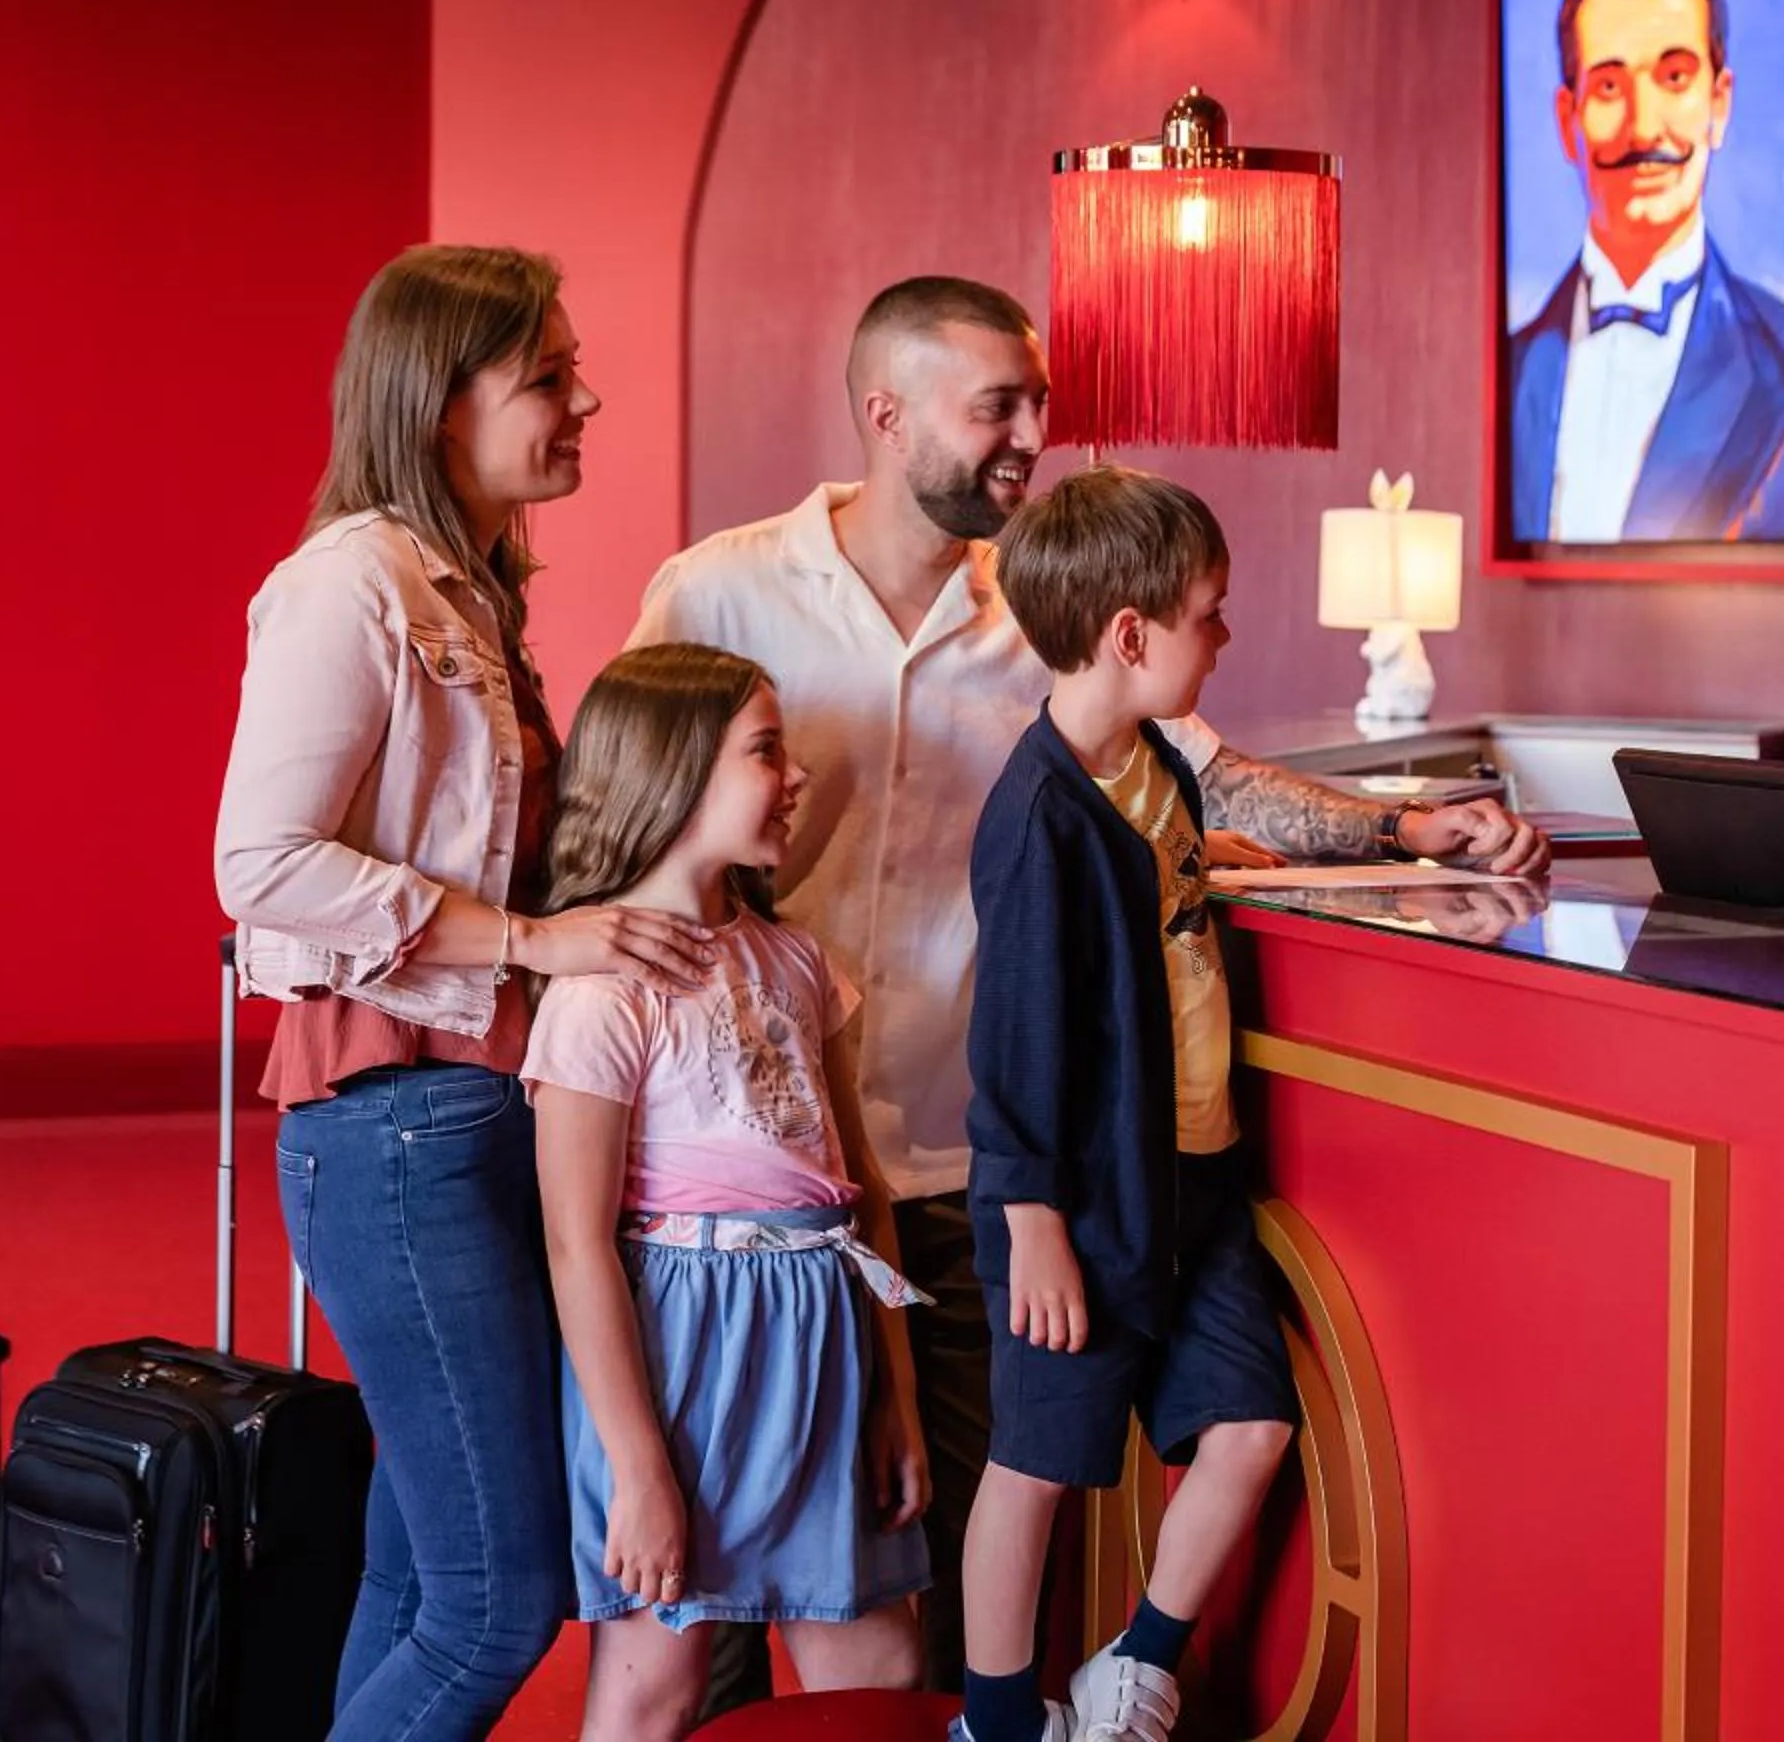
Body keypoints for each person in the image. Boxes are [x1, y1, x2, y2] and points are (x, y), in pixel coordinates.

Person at [625, 274, 1549, 1704]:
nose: (1033, 433)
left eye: (1039, 402)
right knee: (702, 1620)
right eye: (999, 403)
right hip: (759, 1173)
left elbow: (1210, 781)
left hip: (964, 1163)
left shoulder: (1054, 613)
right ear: (886, 411)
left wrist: (1408, 826)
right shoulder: (714, 589)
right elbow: (631, 833)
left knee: (903, 1586)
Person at [215, 244, 712, 1740]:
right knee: (501, 1601)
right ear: (441, 404)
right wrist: (523, 939)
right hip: (395, 1129)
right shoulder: (352, 583)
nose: (585, 400)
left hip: (465, 1115)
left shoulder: (474, 591)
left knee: (420, 1578)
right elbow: (259, 865)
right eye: (548, 376)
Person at [526, 644, 932, 1741]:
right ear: (674, 772)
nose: (795, 775)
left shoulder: (796, 961)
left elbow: (868, 1197)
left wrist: (893, 1397)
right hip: (687, 1356)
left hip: (825, 1338)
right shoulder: (601, 993)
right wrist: (639, 1469)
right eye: (766, 751)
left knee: (883, 1666)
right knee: (654, 1684)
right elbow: (577, 1246)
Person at [956, 466, 1298, 1742]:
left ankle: (1134, 1663)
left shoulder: (1154, 765)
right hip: (1080, 1203)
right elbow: (1017, 1041)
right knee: (1037, 1462)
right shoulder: (1039, 816)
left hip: (1189, 1184)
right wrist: (1032, 1217)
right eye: (1211, 613)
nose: (1224, 634)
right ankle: (998, 1718)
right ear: (1132, 636)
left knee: (1253, 1422)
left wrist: (1222, 858)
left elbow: (1168, 893)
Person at [1507, 0, 1784, 544]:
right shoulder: (1510, 368)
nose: (1644, 128)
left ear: (1719, 103)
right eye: (1610, 86)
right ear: (1568, 120)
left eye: (1674, 78)